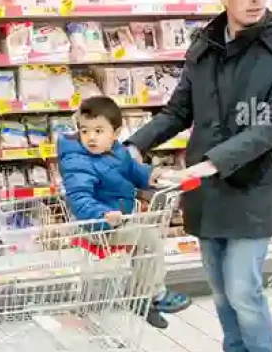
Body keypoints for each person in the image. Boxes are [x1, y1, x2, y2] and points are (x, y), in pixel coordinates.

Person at [123, 0, 272, 352]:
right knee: (223, 292)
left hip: (253, 182)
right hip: (207, 186)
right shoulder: (204, 44)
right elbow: (179, 110)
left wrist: (215, 160)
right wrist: (136, 143)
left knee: (244, 287)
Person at [58, 95, 193, 329]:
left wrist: (151, 175)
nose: (91, 137)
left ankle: (142, 295)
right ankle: (150, 295)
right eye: (85, 130)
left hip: (118, 219)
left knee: (145, 238)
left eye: (99, 131)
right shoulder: (76, 160)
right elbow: (79, 198)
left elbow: (132, 170)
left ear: (115, 133)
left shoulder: (117, 152)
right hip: (96, 226)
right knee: (148, 239)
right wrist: (101, 215)